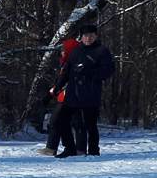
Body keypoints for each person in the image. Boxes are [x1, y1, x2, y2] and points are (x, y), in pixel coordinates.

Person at [49, 24, 115, 158]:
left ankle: (93, 151)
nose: (88, 38)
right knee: (62, 121)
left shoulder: (102, 51)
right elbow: (66, 71)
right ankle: (69, 148)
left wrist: (88, 72)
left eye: (91, 36)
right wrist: (57, 87)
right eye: (85, 36)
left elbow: (107, 71)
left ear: (96, 36)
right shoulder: (75, 52)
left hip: (91, 93)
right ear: (81, 37)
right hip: (73, 93)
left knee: (90, 124)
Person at [37, 38, 86, 155]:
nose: (62, 52)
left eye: (64, 50)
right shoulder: (70, 63)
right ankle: (78, 149)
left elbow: (63, 81)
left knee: (56, 121)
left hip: (69, 98)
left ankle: (53, 148)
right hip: (68, 97)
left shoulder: (74, 64)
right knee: (74, 123)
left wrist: (51, 93)